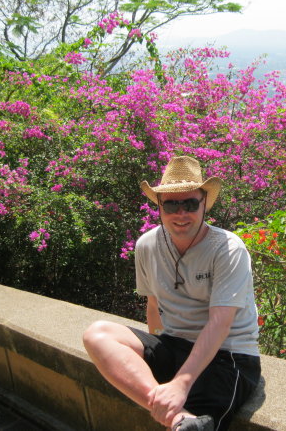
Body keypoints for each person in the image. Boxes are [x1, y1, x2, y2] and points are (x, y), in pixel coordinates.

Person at [83, 156, 261, 431]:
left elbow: (220, 323)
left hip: (227, 355)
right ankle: (178, 417)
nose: (181, 214)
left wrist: (181, 383)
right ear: (159, 206)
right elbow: (154, 306)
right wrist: (160, 368)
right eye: (171, 205)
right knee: (97, 334)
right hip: (174, 344)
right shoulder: (147, 245)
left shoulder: (228, 249)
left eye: (190, 204)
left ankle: (183, 420)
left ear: (204, 204)